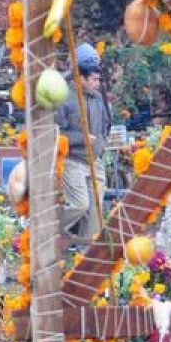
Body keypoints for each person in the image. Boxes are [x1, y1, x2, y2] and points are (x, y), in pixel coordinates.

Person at [57, 42, 112, 243]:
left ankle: (86, 252)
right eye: (94, 80)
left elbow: (106, 124)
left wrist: (100, 145)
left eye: (98, 79)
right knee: (79, 205)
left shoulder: (98, 98)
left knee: (95, 212)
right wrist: (82, 139)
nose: (97, 84)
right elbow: (57, 133)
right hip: (74, 160)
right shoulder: (63, 97)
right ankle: (45, 229)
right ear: (81, 78)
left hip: (95, 161)